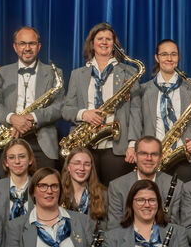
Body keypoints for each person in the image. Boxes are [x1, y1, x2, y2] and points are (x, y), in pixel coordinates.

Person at [61, 23, 142, 184]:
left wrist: (133, 144)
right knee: (86, 193)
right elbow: (66, 109)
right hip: (85, 145)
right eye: (100, 39)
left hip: (116, 146)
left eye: (108, 39)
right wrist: (84, 114)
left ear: (114, 45)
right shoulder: (77, 74)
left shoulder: (129, 72)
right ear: (92, 44)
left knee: (115, 193)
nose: (104, 42)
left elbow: (135, 111)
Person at [0, 25, 63, 171]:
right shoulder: (2, 72)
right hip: (10, 136)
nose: (27, 48)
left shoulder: (54, 72)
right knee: (9, 185)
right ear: (15, 47)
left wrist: (33, 117)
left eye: (32, 43)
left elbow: (59, 106)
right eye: (22, 43)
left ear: (39, 46)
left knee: (44, 183)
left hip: (41, 140)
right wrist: (12, 118)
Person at [138, 37, 191, 181]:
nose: (169, 59)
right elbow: (138, 124)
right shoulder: (143, 90)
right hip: (154, 159)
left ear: (178, 57)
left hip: (186, 156)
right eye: (164, 54)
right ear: (157, 58)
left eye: (173, 54)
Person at [105, 136, 178, 229]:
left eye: (154, 154)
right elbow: (114, 229)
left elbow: (176, 228)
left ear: (161, 158)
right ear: (135, 156)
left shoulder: (177, 186)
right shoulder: (117, 187)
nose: (149, 158)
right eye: (143, 153)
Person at [0, 138, 36, 229]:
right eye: (11, 157)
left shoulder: (39, 187)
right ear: (6, 162)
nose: (17, 161)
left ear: (30, 160)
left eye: (22, 156)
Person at [60, 146, 108, 225]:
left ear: (91, 168)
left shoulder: (104, 195)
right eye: (77, 163)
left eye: (87, 164)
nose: (82, 168)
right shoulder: (58, 194)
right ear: (68, 167)